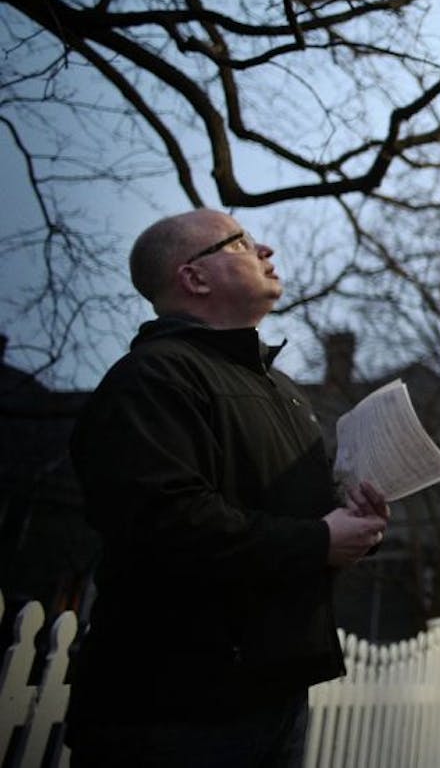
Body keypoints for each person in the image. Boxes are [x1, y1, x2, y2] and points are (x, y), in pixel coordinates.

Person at [65, 209, 390, 768]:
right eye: (241, 243)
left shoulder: (283, 390)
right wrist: (319, 540)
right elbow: (168, 524)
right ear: (194, 278)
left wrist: (353, 527)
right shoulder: (149, 379)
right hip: (173, 707)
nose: (266, 250)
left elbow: (298, 518)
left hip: (277, 691)